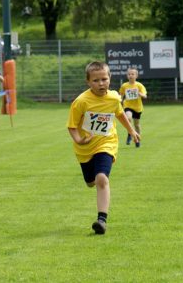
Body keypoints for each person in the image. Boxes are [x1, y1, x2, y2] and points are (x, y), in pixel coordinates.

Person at [67, 61, 140, 235]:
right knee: (91, 182)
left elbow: (119, 113)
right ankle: (93, 181)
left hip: (107, 143)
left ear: (110, 79)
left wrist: (131, 130)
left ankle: (101, 220)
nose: (101, 83)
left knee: (101, 178)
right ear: (88, 82)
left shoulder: (114, 97)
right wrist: (79, 140)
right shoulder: (81, 102)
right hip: (85, 149)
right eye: (96, 80)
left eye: (104, 79)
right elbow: (71, 125)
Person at [119, 67, 147, 147]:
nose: (130, 75)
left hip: (138, 108)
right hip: (128, 105)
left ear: (136, 76)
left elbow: (145, 96)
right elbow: (121, 94)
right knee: (128, 118)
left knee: (137, 125)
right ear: (127, 76)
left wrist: (139, 94)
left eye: (132, 74)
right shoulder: (124, 85)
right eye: (129, 74)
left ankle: (137, 140)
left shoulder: (139, 85)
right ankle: (129, 134)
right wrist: (119, 100)